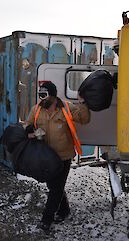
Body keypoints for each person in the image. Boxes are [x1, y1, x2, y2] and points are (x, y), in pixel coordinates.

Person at [26, 81, 90, 231]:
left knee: (56, 189)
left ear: (53, 95)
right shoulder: (36, 109)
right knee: (54, 186)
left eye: (45, 94)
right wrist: (29, 129)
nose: (42, 98)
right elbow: (27, 123)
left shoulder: (66, 107)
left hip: (63, 156)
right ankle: (64, 210)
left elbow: (84, 119)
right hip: (46, 156)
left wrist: (84, 104)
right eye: (40, 94)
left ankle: (46, 219)